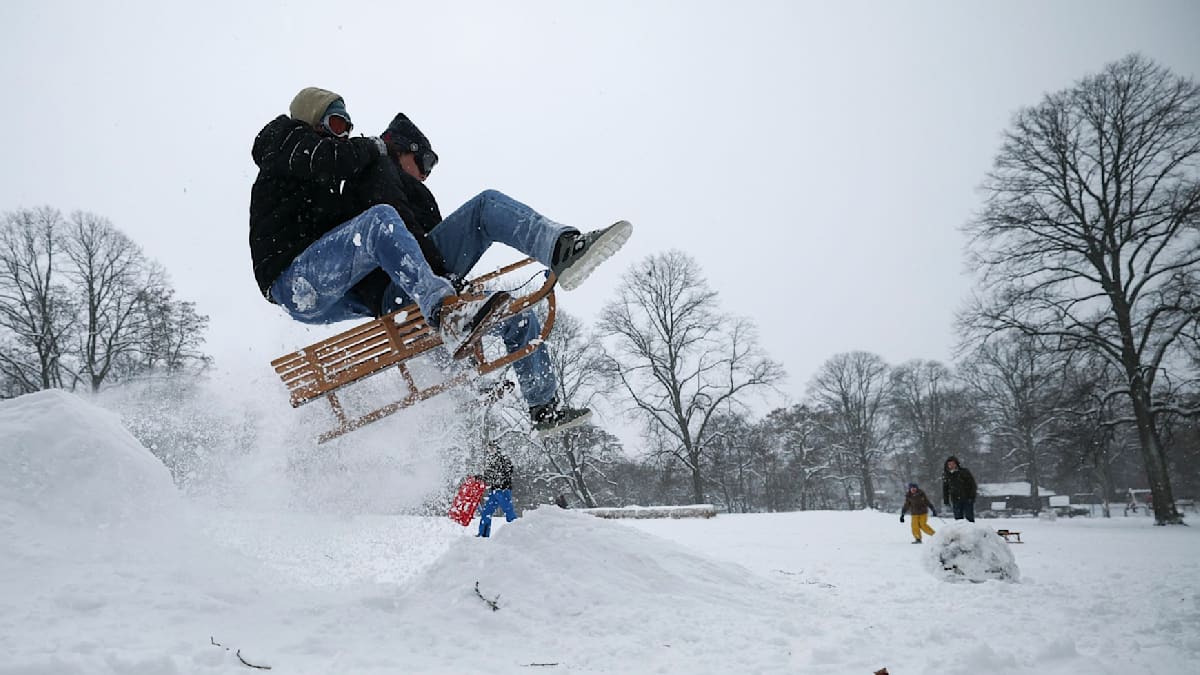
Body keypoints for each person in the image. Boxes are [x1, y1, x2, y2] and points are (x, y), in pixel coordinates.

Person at [249, 88, 632, 434]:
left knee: (514, 310)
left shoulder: (360, 184)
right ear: (401, 149)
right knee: (404, 219)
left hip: (393, 291)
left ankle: (544, 406)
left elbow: (409, 241)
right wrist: (447, 285)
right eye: (424, 161)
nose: (428, 173)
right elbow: (375, 211)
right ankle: (458, 307)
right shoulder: (322, 154)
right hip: (311, 281)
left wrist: (457, 289)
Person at [476, 446, 517, 538]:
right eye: (489, 449)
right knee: (486, 512)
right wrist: (480, 477)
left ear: (497, 448)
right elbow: (488, 476)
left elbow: (508, 471)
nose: (490, 450)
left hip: (503, 490)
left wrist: (498, 476)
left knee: (509, 512)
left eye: (492, 448)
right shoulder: (490, 460)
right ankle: (483, 534)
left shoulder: (504, 459)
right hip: (494, 491)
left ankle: (517, 533)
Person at [942, 455, 978, 522]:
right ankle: (960, 532)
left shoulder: (964, 472)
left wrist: (972, 497)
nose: (951, 466)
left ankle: (971, 531)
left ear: (956, 464)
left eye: (953, 464)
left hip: (967, 498)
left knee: (969, 518)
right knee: (958, 519)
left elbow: (972, 485)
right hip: (955, 499)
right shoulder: (947, 475)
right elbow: (945, 489)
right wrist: (946, 500)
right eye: (949, 464)